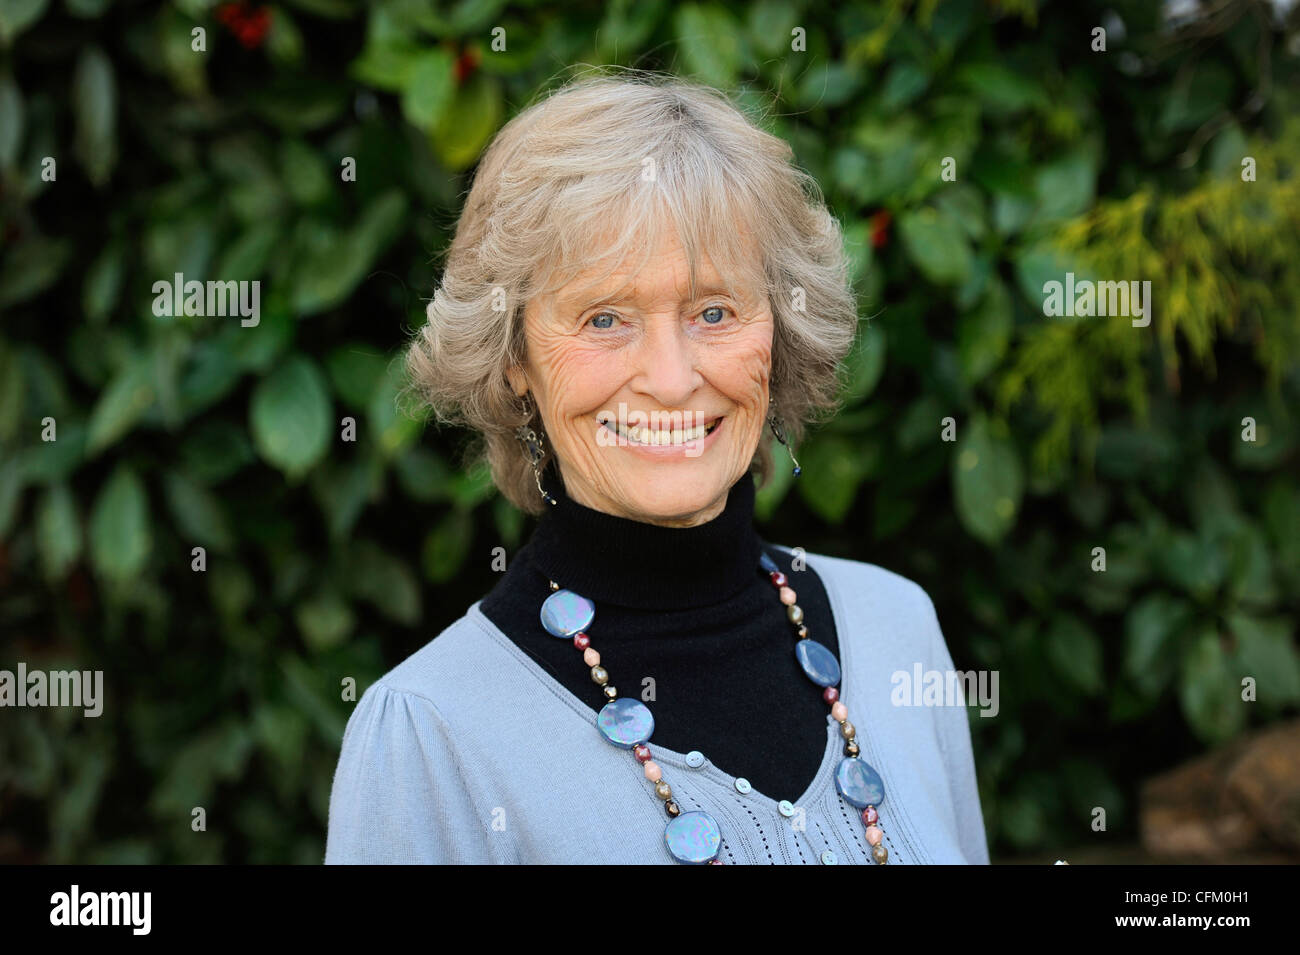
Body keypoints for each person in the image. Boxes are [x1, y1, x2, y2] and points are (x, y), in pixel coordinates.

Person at [325, 69, 989, 865]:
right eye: (605, 318)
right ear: (515, 363)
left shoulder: (899, 630)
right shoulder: (430, 736)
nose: (671, 378)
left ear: (776, 335)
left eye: (714, 311)